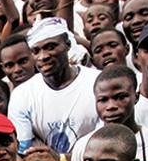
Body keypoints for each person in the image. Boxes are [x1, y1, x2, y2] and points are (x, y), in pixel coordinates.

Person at [7, 18, 100, 154]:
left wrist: (61, 159)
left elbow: (107, 139)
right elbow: (26, 150)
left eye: (50, 47)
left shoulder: (97, 82)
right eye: (36, 51)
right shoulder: (22, 95)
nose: (43, 56)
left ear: (68, 45)